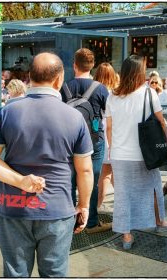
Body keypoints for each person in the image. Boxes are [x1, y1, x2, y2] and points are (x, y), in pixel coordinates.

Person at [0, 52, 93, 277]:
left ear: (29, 77)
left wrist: (20, 181)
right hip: (57, 209)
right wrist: (85, 205)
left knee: (15, 273)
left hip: (14, 208)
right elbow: (85, 169)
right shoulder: (74, 117)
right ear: (59, 79)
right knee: (54, 274)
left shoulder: (8, 112)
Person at [105, 55, 167, 250]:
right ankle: (160, 222)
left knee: (123, 194)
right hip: (145, 153)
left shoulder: (112, 95)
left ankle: (126, 235)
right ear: (139, 72)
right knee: (153, 187)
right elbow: (161, 122)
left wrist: (112, 149)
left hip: (119, 154)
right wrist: (164, 143)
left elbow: (109, 128)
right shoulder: (148, 93)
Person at [60, 48, 111, 234]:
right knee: (92, 180)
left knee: (70, 181)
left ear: (75, 65)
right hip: (94, 140)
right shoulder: (101, 89)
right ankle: (91, 222)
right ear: (93, 66)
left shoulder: (65, 88)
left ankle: (68, 222)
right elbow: (108, 115)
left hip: (69, 141)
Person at [93, 62, 117, 213]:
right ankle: (96, 207)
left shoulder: (94, 91)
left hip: (99, 136)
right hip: (112, 138)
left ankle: (97, 206)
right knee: (108, 174)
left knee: (106, 174)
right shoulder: (114, 94)